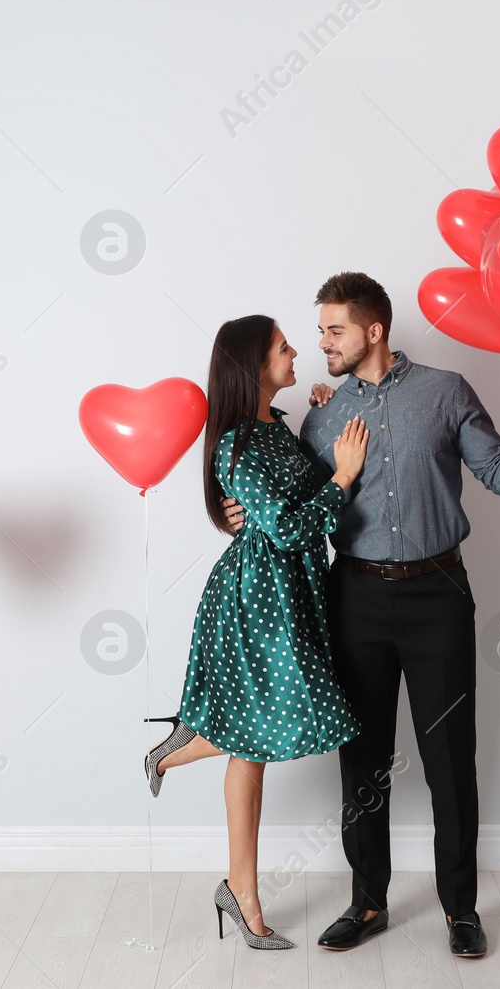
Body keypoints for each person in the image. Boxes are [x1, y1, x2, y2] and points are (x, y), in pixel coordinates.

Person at [224, 273, 500, 958]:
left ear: (373, 329)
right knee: (361, 758)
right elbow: (290, 506)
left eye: (333, 329)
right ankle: (367, 902)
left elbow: (496, 465)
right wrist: (229, 511)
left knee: (451, 758)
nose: (321, 342)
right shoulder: (321, 415)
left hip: (438, 594)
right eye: (320, 331)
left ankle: (460, 910)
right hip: (353, 596)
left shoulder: (447, 391)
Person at [143, 314, 369, 950]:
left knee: (255, 744)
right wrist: (344, 477)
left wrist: (324, 410)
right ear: (253, 364)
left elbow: (295, 494)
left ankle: (240, 890)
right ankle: (173, 754)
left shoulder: (277, 425)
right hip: (256, 601)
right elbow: (293, 529)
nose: (297, 352)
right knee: (269, 727)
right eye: (283, 346)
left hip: (293, 594)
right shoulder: (237, 445)